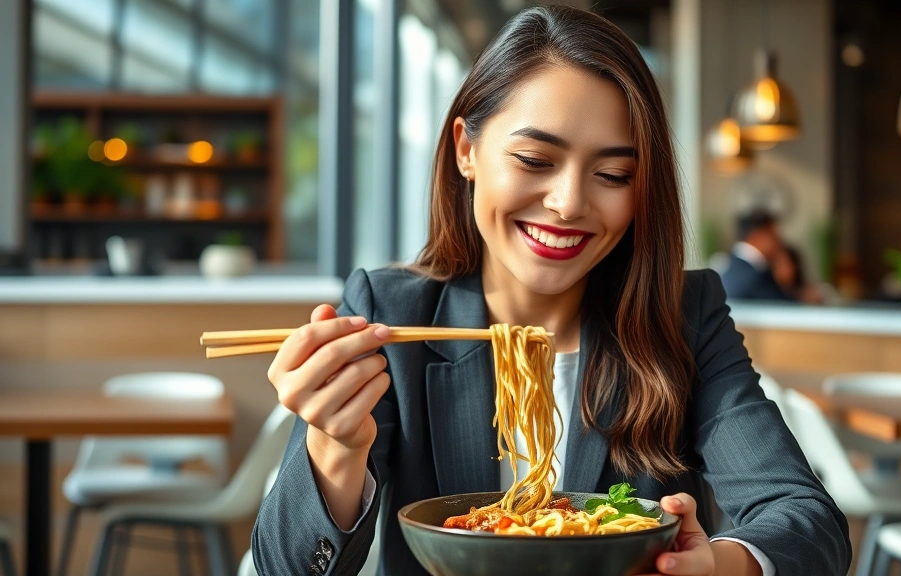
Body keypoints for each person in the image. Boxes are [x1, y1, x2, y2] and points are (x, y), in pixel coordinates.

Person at [252, 7, 850, 576]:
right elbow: (286, 566)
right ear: (467, 150)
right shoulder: (388, 314)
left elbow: (806, 523)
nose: (569, 204)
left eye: (613, 174)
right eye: (536, 160)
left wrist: (718, 564)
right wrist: (337, 446)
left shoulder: (684, 315)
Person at [718, 211, 792, 301]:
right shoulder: (755, 277)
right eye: (773, 234)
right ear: (757, 236)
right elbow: (783, 306)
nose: (779, 240)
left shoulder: (729, 267)